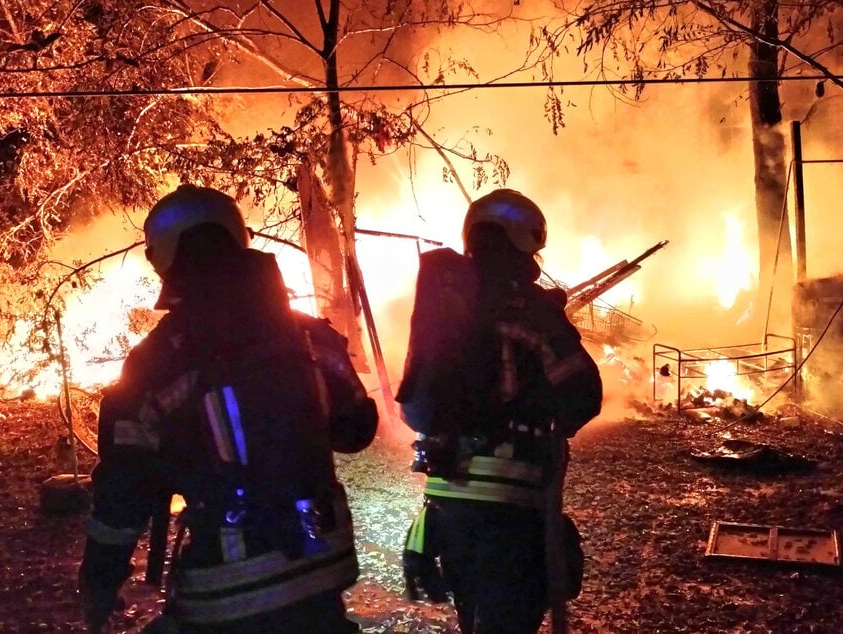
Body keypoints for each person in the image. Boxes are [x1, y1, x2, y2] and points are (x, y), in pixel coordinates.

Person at [78, 184, 378, 634]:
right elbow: (357, 431)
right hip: (322, 569)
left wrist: (99, 580)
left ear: (163, 256)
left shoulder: (156, 361)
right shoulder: (312, 336)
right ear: (238, 237)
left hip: (225, 588)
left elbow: (124, 489)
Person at [396, 188, 602, 634]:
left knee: (473, 617)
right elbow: (584, 397)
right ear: (524, 240)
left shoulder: (445, 306)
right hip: (512, 507)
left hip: (446, 507)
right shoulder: (529, 309)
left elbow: (421, 405)